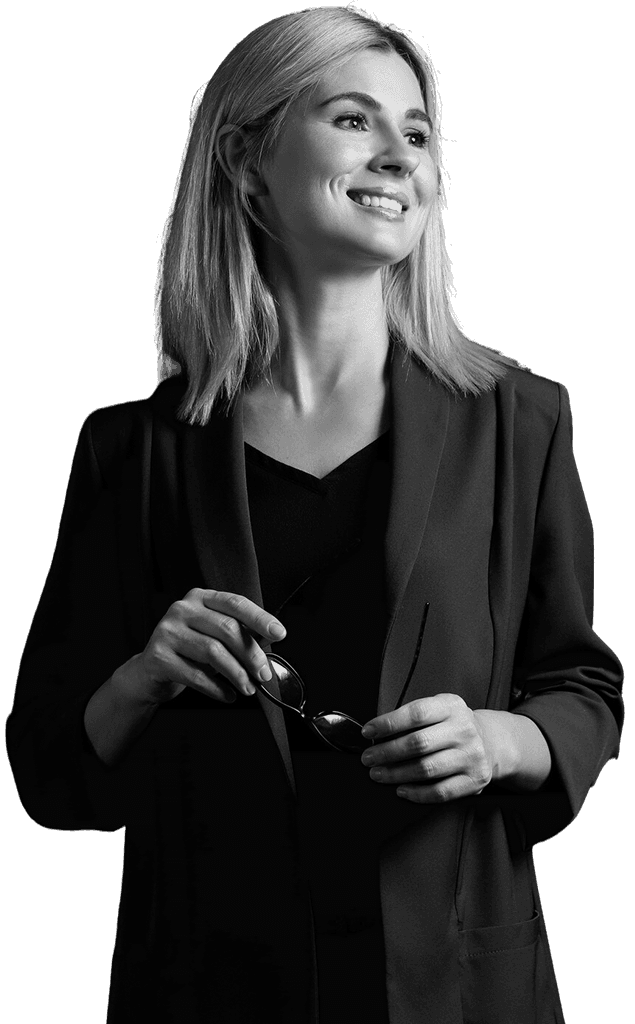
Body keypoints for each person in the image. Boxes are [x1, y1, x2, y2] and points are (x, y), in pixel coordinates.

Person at [6, 6, 624, 1023]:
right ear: (248, 165)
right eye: (352, 119)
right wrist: (142, 673)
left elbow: (581, 685)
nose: (397, 154)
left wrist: (499, 739)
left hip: (460, 988)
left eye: (417, 132)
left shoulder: (521, 419)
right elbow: (49, 770)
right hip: (205, 988)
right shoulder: (130, 451)